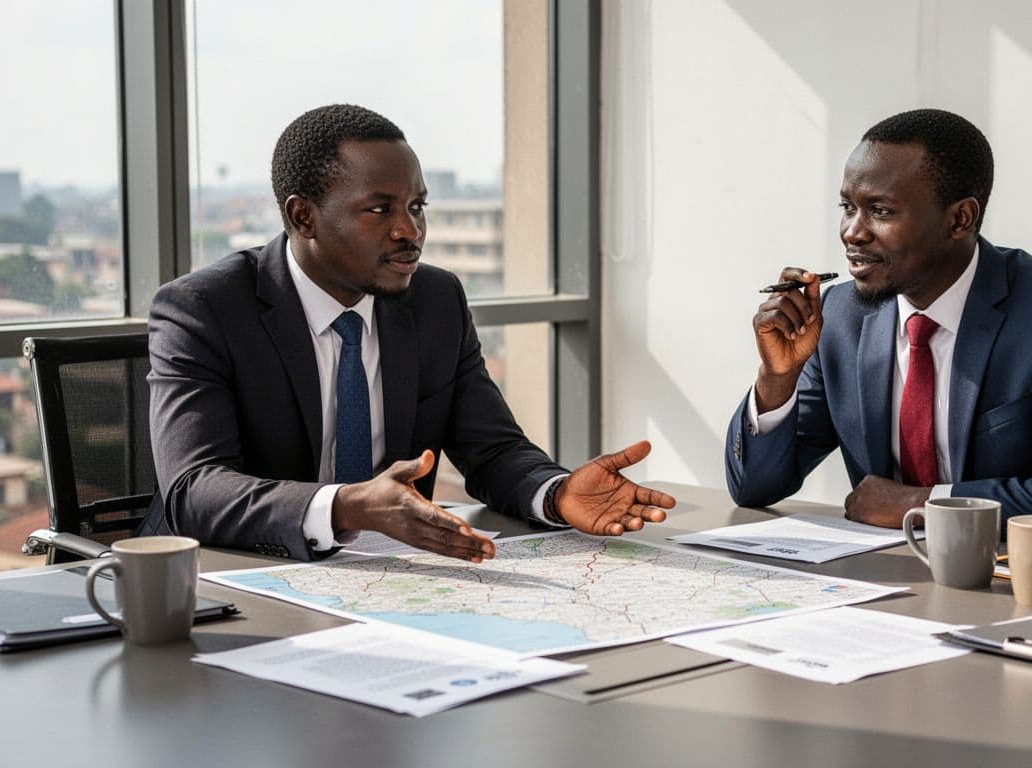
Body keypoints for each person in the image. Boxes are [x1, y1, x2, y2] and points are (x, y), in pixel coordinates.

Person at [144, 103, 674, 562]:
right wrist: (349, 506)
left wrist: (556, 493)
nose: (409, 231)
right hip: (230, 581)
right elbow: (195, 490)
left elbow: (492, 451)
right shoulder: (204, 309)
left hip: (384, 579)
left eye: (417, 207)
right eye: (380, 210)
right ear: (303, 217)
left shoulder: (436, 301)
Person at [725, 108, 1032, 538]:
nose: (853, 231)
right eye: (847, 207)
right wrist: (777, 378)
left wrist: (922, 504)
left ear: (959, 218)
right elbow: (754, 488)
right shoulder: (841, 317)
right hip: (882, 583)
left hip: (1010, 585)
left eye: (881, 211)